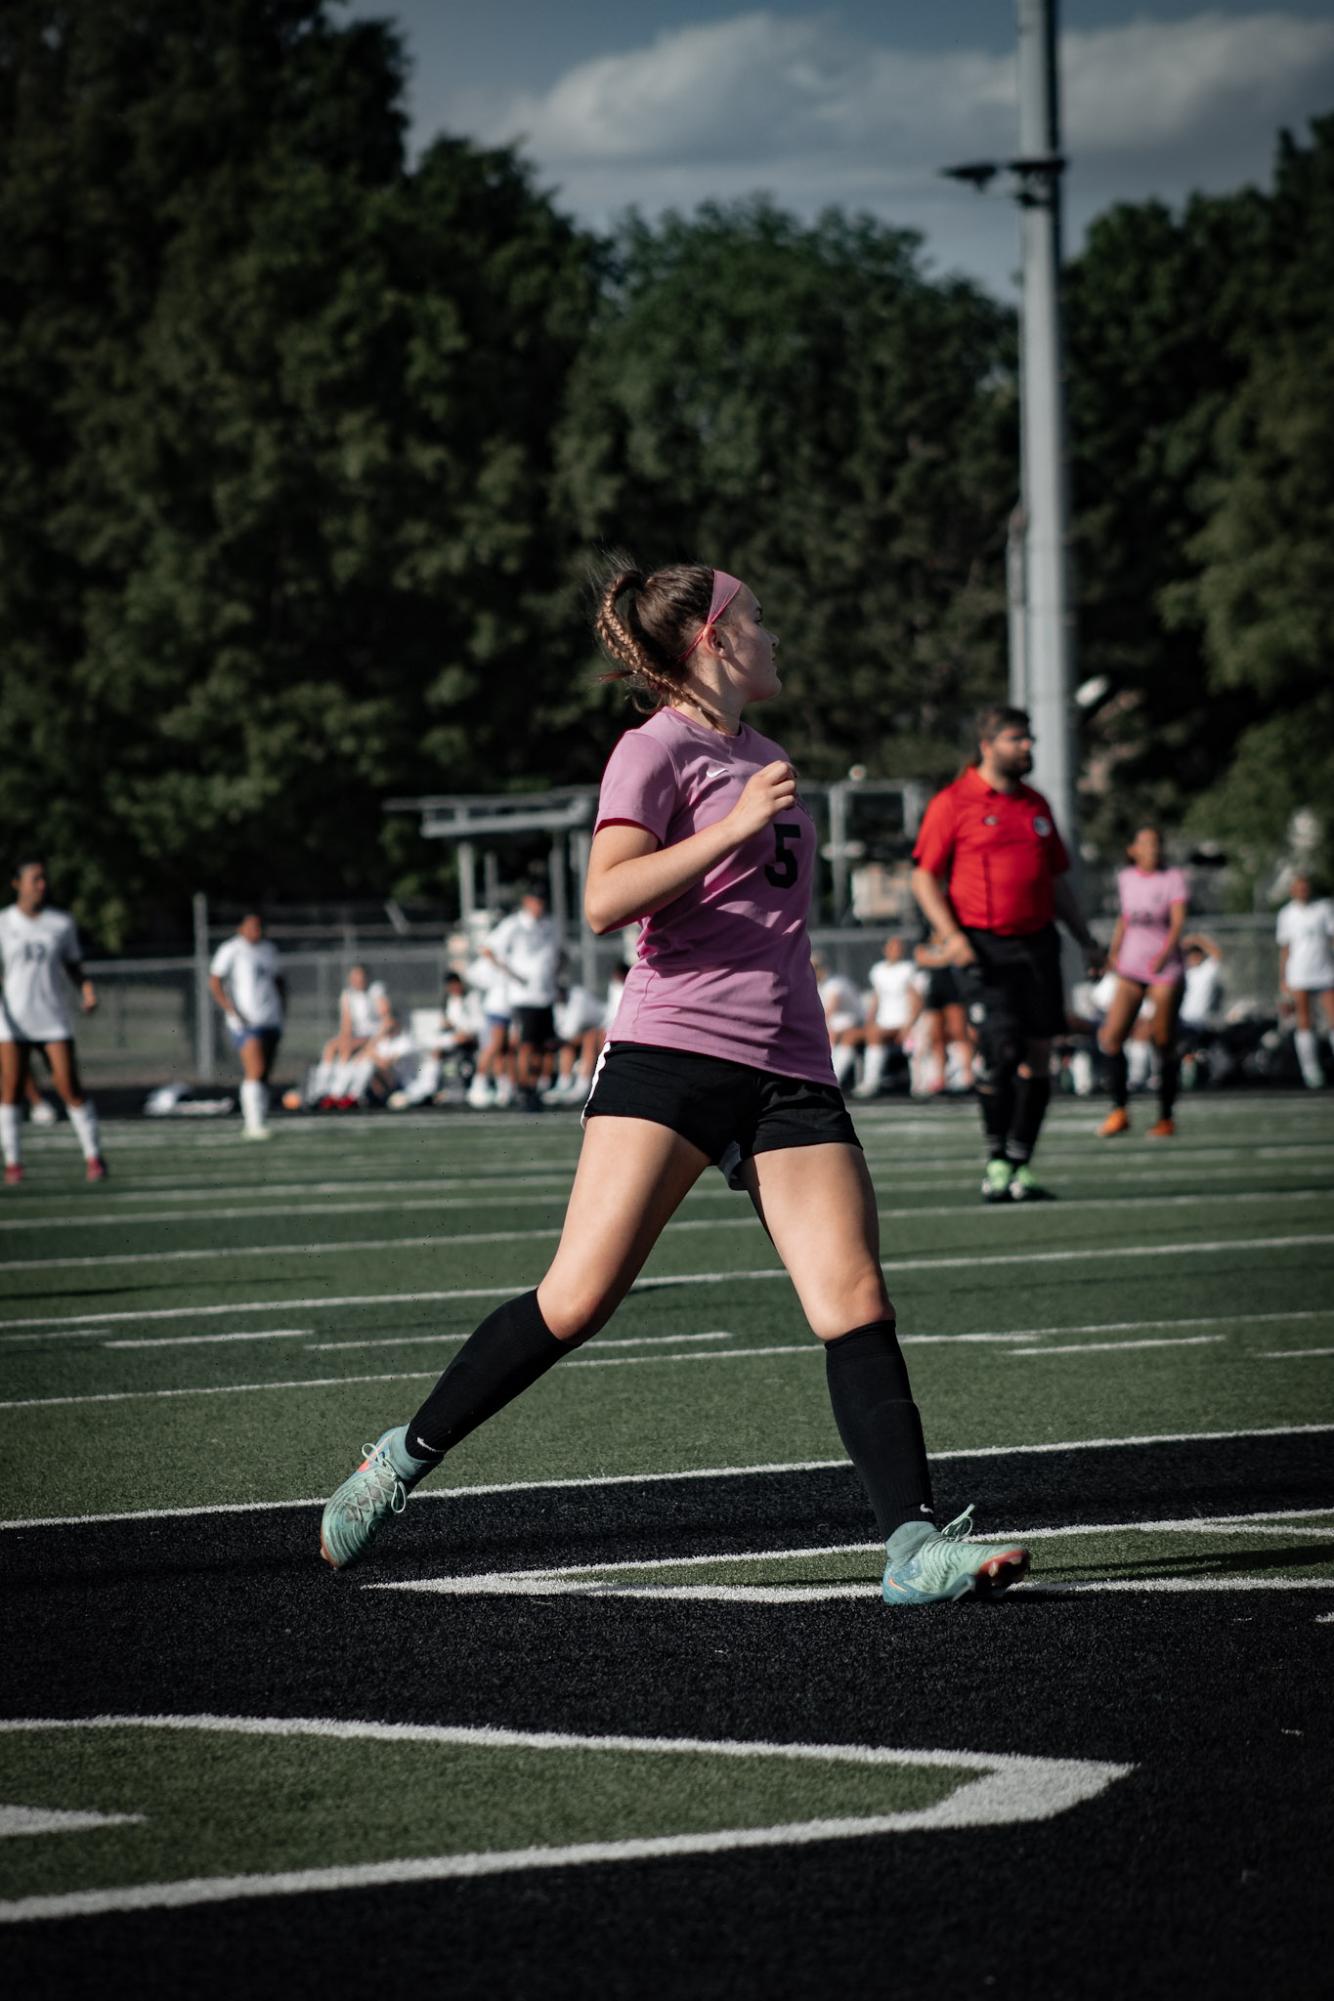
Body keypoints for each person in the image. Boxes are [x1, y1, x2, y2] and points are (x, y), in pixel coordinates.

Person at [320, 560, 1030, 1607]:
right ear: (711, 637)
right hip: (670, 1052)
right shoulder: (650, 751)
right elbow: (606, 899)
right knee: (578, 1296)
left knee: (854, 1299)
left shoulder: (769, 756)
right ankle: (399, 1460)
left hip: (787, 1068)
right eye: (759, 619)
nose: (775, 635)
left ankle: (911, 1547)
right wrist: (730, 827)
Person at [911, 705, 1100, 1202]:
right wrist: (951, 935)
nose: (1028, 748)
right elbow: (924, 876)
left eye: (1030, 739)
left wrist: (1086, 940)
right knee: (1000, 1051)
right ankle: (996, 1161)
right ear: (988, 744)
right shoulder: (954, 802)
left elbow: (1057, 882)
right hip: (983, 946)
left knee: (1041, 1055)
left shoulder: (1037, 805)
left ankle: (1021, 1163)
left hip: (1038, 944)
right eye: (1018, 739)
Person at [0, 857, 107, 1186]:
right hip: (11, 1019)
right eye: (35, 879)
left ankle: (94, 1157)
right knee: (11, 1090)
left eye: (44, 879)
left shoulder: (61, 923)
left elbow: (74, 965)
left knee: (69, 1086)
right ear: (18, 884)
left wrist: (86, 992)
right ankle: (14, 1163)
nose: (41, 885)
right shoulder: (3, 922)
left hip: (51, 1018)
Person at [1097, 826, 1188, 1139]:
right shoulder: (1126, 878)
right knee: (1111, 1037)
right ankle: (1119, 1110)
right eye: (1147, 843)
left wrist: (1166, 953)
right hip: (1131, 967)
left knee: (1163, 1040)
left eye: (1157, 843)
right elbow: (1125, 919)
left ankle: (1165, 1116)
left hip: (1164, 969)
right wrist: (1113, 954)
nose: (1153, 849)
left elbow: (1178, 921)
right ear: (1133, 849)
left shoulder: (1172, 878)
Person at [483, 883, 561, 1112]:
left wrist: (553, 976)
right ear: (527, 902)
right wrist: (513, 975)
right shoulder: (513, 925)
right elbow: (488, 949)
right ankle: (523, 1089)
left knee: (543, 1047)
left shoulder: (550, 925)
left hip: (545, 995)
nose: (539, 906)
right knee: (526, 1046)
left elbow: (560, 953)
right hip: (524, 996)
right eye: (536, 901)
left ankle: (534, 1088)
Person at [208, 912, 286, 1139]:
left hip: (270, 1019)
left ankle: (261, 1117)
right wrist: (231, 1010)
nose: (256, 931)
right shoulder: (231, 950)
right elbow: (215, 981)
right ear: (241, 928)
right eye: (251, 926)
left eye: (259, 926)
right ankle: (252, 1124)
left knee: (264, 1074)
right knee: (255, 1069)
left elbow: (279, 982)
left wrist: (282, 1011)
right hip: (246, 1022)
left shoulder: (269, 950)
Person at [1276, 874, 1334, 1089]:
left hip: (1325, 971)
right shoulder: (1286, 914)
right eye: (1298, 887)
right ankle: (1310, 1070)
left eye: (1305, 887)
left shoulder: (1324, 908)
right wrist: (1283, 979)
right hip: (1299, 973)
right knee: (1304, 1020)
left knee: (1332, 1018)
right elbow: (1285, 948)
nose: (1302, 890)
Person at [853, 936, 923, 1099]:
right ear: (885, 950)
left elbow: (917, 1001)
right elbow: (876, 998)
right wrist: (870, 1021)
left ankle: (918, 1085)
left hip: (907, 1023)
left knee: (913, 1044)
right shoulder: (877, 971)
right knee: (873, 1035)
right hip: (884, 1023)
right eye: (892, 947)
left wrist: (908, 1026)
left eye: (899, 947)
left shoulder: (909, 969)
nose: (895, 951)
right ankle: (871, 1083)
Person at [912, 933, 975, 1097]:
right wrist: (945, 957)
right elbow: (922, 958)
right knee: (936, 1036)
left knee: (958, 1032)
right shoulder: (925, 941)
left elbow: (962, 957)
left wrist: (942, 957)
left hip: (952, 989)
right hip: (934, 990)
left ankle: (967, 1076)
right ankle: (940, 1078)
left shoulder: (954, 937)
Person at [811, 953, 864, 1090]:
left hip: (853, 1022)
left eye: (815, 967)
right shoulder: (818, 984)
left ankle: (831, 1079)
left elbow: (831, 1009)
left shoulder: (835, 983)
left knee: (830, 1036)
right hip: (837, 1023)